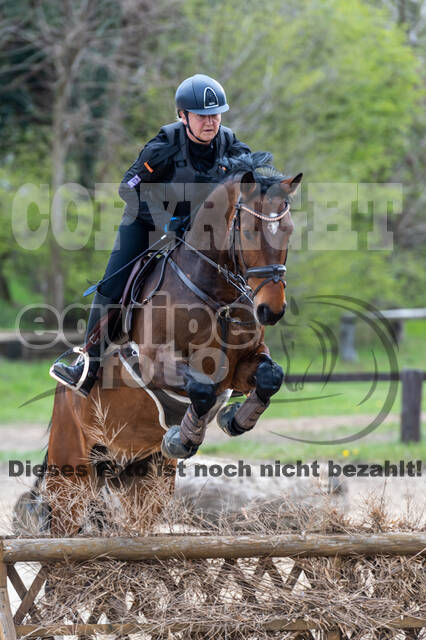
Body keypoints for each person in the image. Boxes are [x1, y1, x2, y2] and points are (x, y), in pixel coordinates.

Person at [50, 73, 251, 397]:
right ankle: (88, 363)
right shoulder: (163, 147)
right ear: (183, 116)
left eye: (215, 115)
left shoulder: (229, 143)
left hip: (199, 232)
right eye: (202, 116)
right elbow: (127, 187)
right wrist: (163, 220)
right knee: (113, 283)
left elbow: (253, 172)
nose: (210, 122)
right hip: (146, 223)